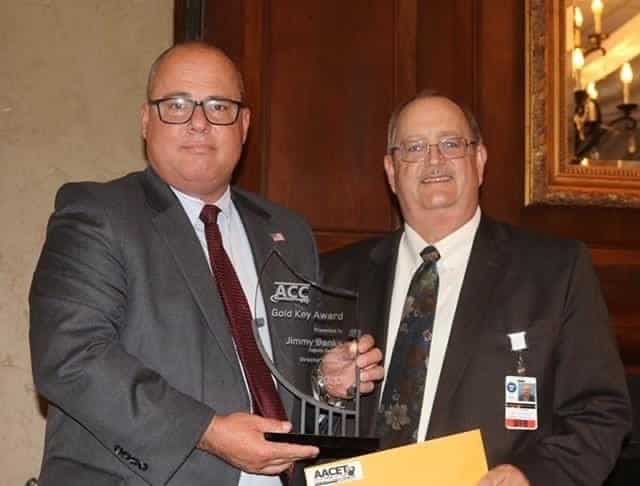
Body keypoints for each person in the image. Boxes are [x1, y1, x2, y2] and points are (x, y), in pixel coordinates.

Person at [29, 41, 382, 486]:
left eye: (219, 106)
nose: (199, 122)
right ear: (145, 120)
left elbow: (290, 382)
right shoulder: (97, 216)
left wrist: (325, 383)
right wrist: (208, 432)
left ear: (244, 125)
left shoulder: (289, 233)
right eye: (177, 105)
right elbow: (71, 357)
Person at [321, 91, 632, 485]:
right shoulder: (333, 277)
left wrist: (531, 476)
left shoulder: (554, 272)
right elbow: (294, 412)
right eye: (414, 147)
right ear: (391, 171)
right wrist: (327, 390)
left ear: (480, 161)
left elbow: (600, 411)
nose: (434, 159)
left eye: (451, 144)